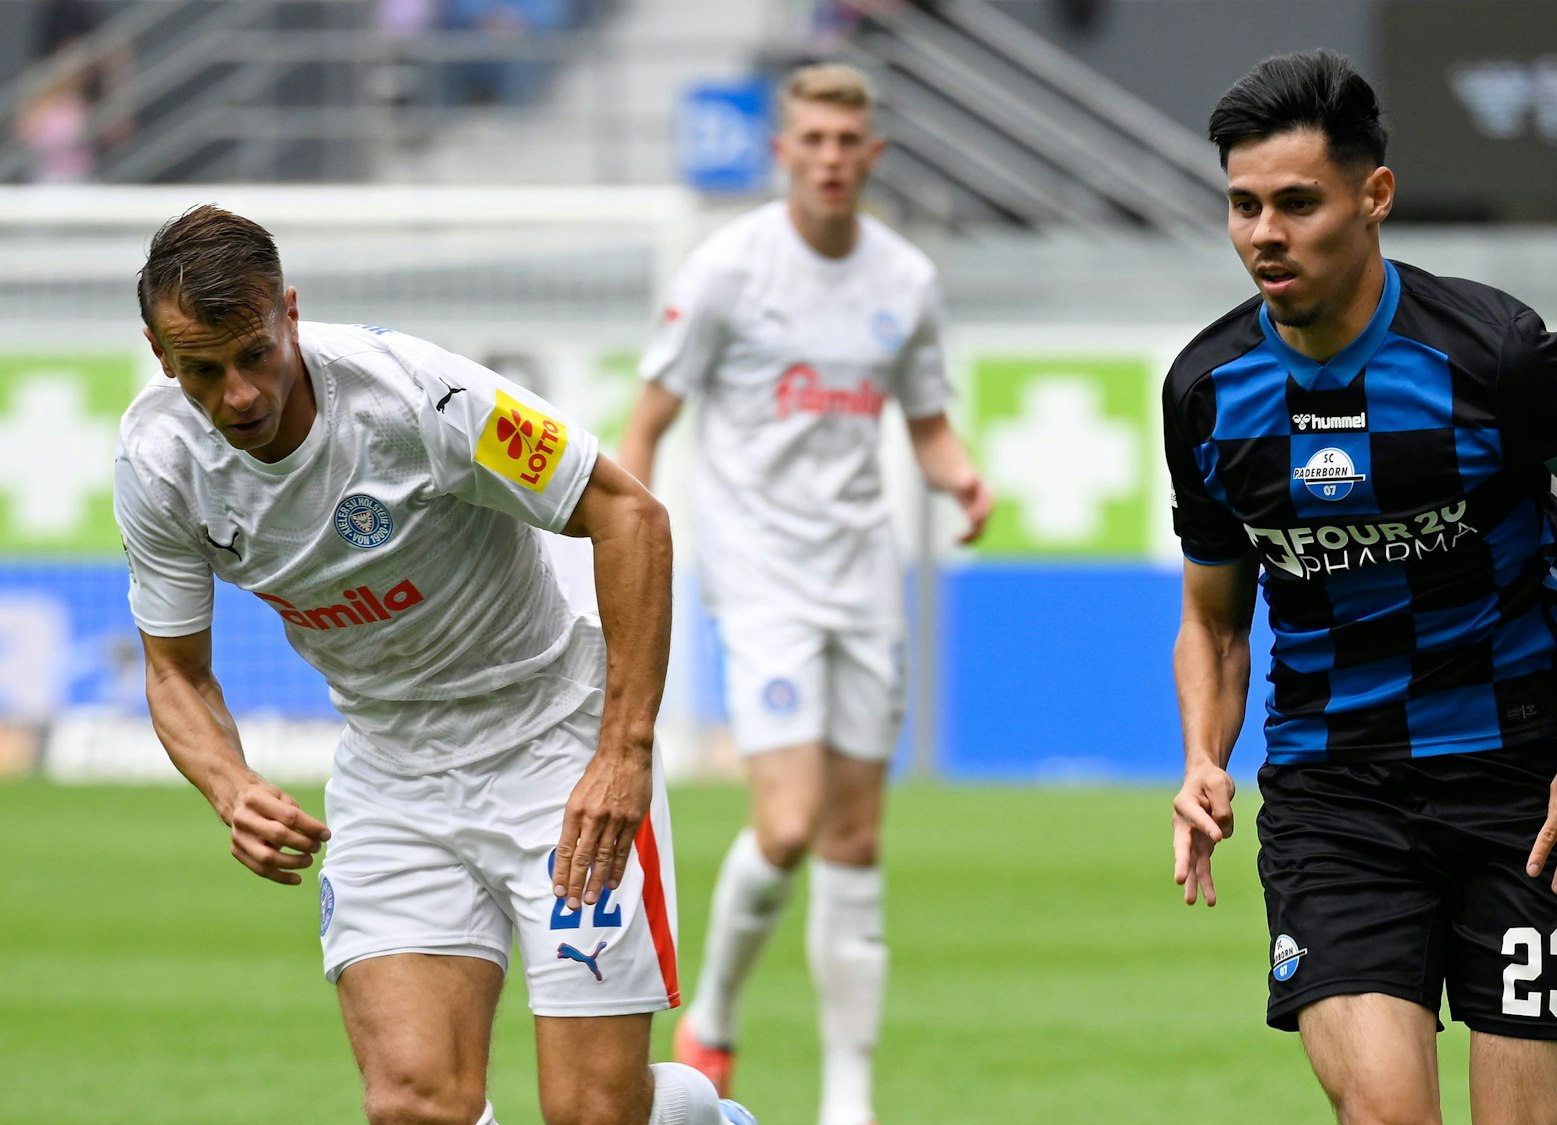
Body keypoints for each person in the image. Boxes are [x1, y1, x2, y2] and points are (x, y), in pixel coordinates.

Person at [113, 204, 757, 1125]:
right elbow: (175, 670)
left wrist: (623, 752)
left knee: (593, 1112)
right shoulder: (157, 460)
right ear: (159, 352)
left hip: (555, 744)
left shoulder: (422, 398)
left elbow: (630, 517)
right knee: (414, 1104)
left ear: (289, 313)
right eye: (202, 371)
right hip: (393, 772)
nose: (240, 395)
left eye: (255, 354)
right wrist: (230, 786)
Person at [1164, 52, 1557, 1124]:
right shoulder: (1207, 392)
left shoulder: (1494, 355)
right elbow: (1215, 622)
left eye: (1296, 203)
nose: (1264, 234)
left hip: (1526, 793)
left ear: (1374, 195)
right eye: (1242, 205)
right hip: (1336, 795)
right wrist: (1201, 756)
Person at [616, 63, 991, 1125]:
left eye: (846, 141)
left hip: (862, 575)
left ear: (872, 155)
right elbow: (647, 420)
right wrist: (629, 543)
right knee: (785, 825)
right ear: (783, 152)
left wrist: (961, 478)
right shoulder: (728, 269)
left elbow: (925, 420)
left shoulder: (904, 279)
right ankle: (717, 1009)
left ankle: (847, 1098)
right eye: (811, 140)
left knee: (855, 841)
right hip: (761, 576)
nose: (829, 158)